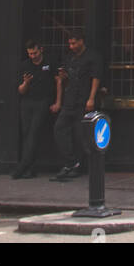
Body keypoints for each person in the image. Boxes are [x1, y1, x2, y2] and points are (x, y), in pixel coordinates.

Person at [50, 30, 103, 182]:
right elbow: (63, 80)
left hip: (83, 100)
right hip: (69, 99)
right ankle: (71, 162)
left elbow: (96, 78)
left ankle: (80, 165)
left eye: (74, 43)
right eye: (70, 43)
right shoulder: (69, 58)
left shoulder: (93, 57)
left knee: (81, 134)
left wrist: (91, 98)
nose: (71, 46)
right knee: (59, 129)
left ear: (81, 41)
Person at [12, 39, 62, 179]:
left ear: (41, 49)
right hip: (27, 102)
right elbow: (21, 90)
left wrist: (58, 102)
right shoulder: (25, 65)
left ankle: (22, 167)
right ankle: (30, 168)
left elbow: (58, 82)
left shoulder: (50, 63)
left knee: (33, 132)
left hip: (43, 101)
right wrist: (26, 83)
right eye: (30, 54)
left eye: (34, 53)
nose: (33, 56)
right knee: (27, 133)